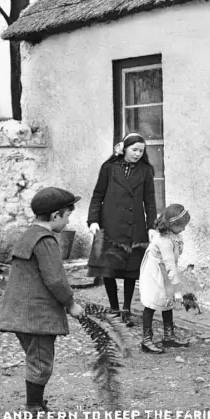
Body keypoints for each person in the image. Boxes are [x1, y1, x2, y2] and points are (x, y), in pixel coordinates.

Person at [0, 187, 85, 415]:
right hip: (36, 317)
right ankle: (33, 407)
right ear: (55, 215)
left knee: (36, 358)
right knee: (40, 362)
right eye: (67, 216)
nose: (68, 222)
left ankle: (36, 402)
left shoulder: (28, 235)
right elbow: (56, 279)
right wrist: (71, 304)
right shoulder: (46, 241)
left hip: (21, 312)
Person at [87, 132, 158, 327]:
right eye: (134, 150)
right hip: (109, 224)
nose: (137, 154)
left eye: (141, 151)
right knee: (108, 268)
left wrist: (151, 226)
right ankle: (113, 308)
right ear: (124, 148)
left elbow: (150, 202)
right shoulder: (109, 168)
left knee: (130, 269)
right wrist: (93, 220)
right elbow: (97, 195)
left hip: (134, 225)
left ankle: (126, 309)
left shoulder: (145, 171)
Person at [138, 203, 192, 352]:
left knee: (167, 302)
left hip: (165, 271)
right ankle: (146, 340)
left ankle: (168, 337)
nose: (184, 229)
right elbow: (170, 267)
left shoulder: (174, 235)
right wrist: (177, 291)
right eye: (182, 226)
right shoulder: (164, 241)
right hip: (155, 273)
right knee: (152, 302)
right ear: (172, 225)